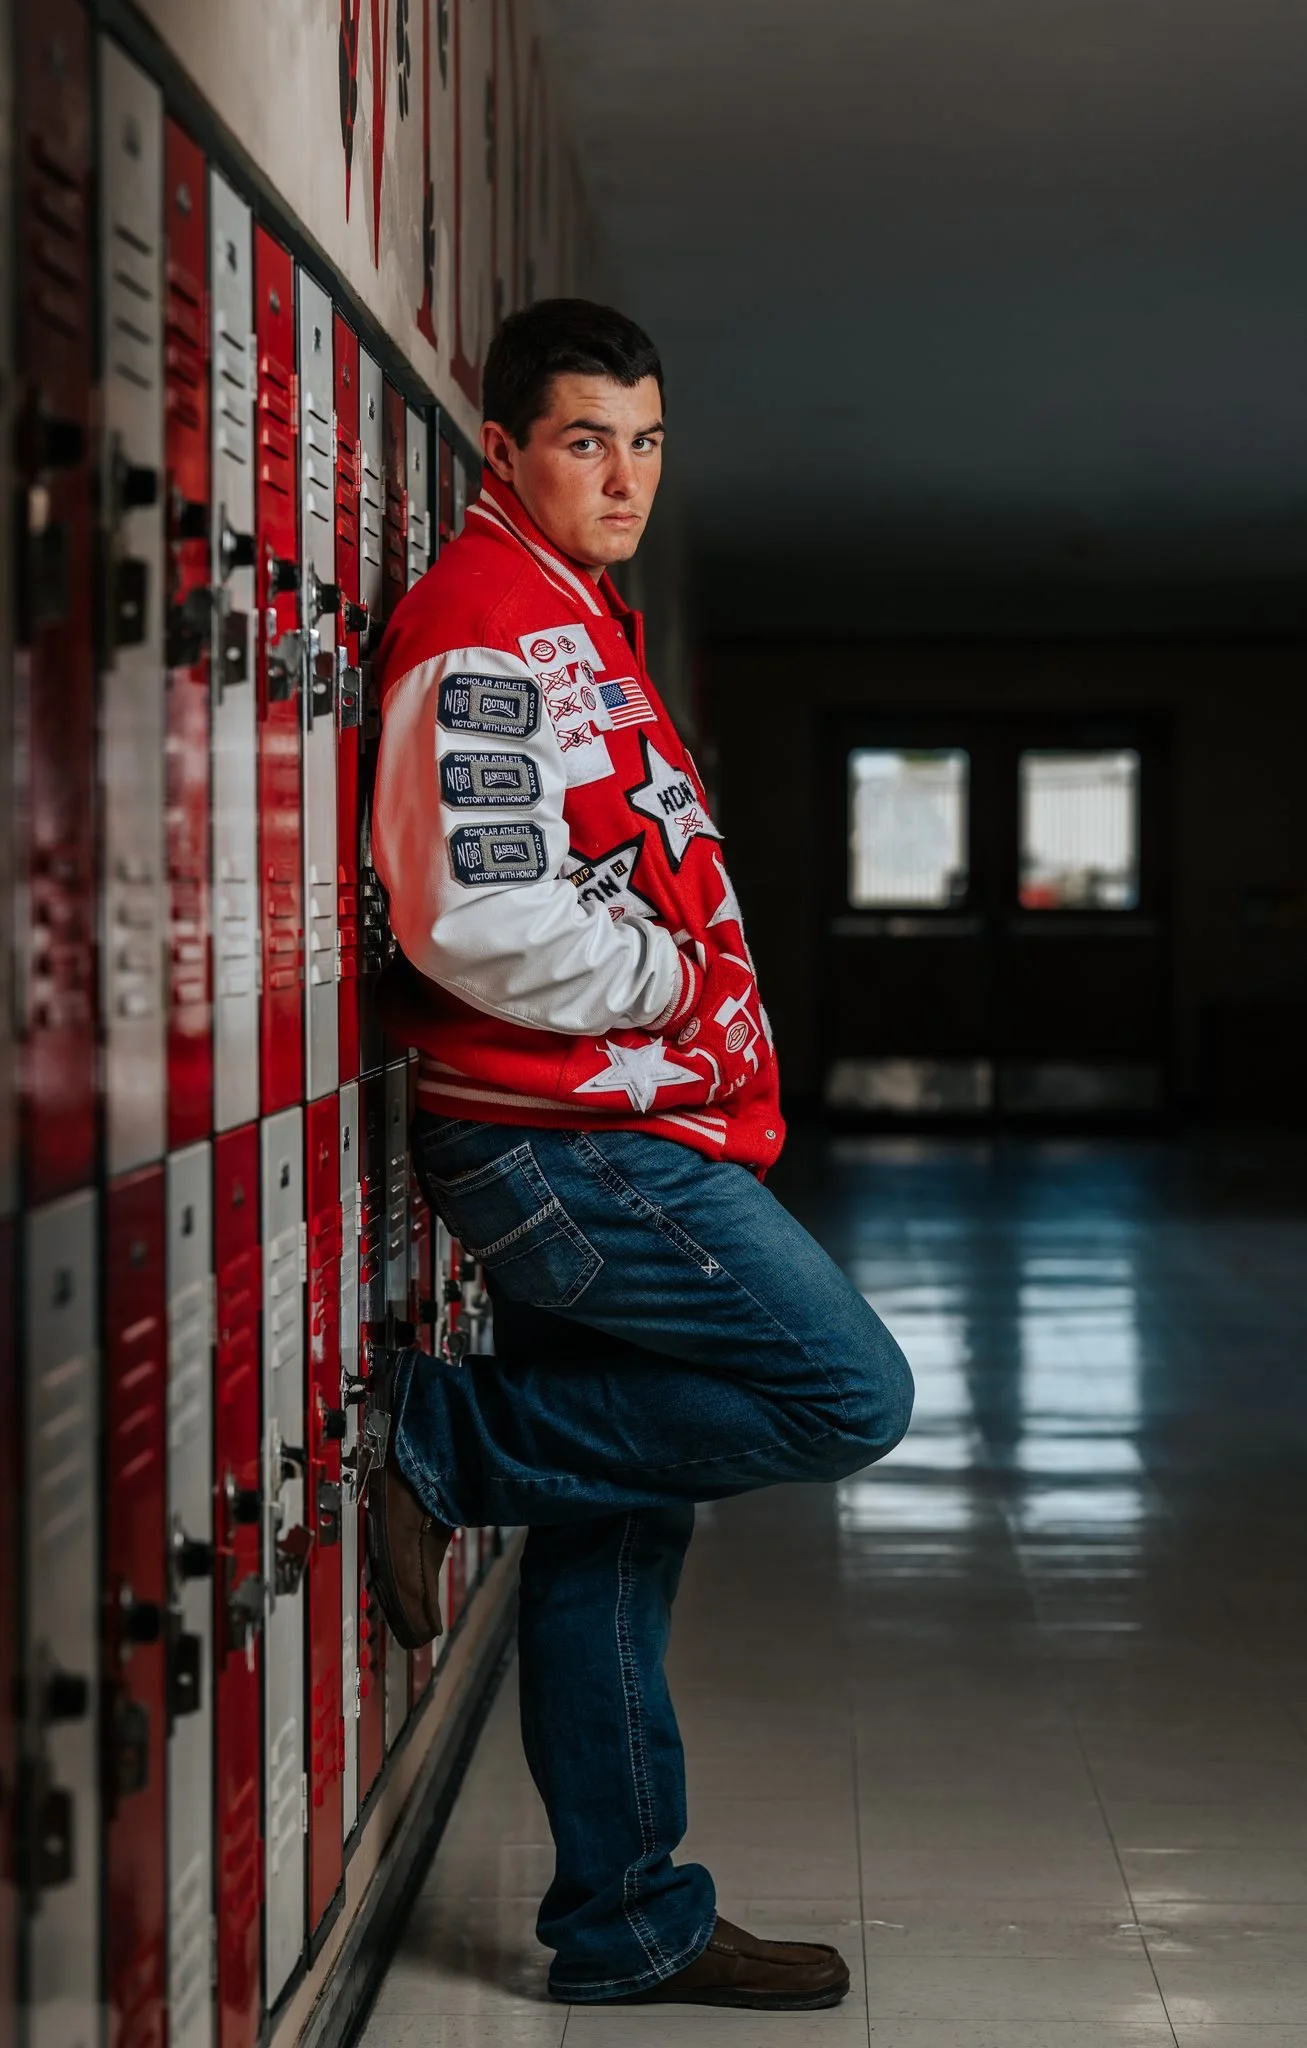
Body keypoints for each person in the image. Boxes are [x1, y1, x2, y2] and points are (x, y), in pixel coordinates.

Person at [366, 298, 912, 2010]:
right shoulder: (484, 633)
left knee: (617, 1520)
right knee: (847, 1395)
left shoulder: (568, 616)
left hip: (619, 1130)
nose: (624, 476)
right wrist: (677, 981)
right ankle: (454, 1437)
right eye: (586, 441)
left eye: (646, 442)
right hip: (577, 1154)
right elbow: (473, 912)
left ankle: (628, 1922)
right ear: (507, 451)